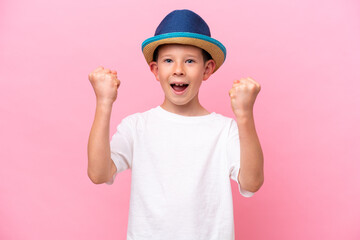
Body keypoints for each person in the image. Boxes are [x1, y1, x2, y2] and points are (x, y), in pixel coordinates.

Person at [87, 9, 264, 240]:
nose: (178, 69)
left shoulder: (224, 130)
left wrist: (244, 115)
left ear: (207, 69)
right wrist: (104, 103)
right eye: (168, 60)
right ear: (155, 69)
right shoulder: (137, 127)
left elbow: (252, 182)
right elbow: (98, 174)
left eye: (190, 61)